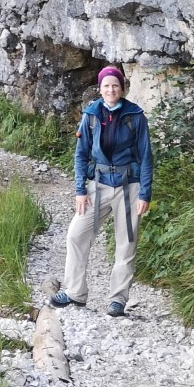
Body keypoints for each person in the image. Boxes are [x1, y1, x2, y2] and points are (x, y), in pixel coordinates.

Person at [50, 66, 154, 317]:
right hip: (98, 185)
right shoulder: (91, 115)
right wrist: (80, 190)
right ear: (100, 89)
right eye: (106, 85)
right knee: (76, 235)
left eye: (115, 85)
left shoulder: (135, 116)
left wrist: (144, 193)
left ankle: (118, 299)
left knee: (126, 244)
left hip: (129, 186)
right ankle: (75, 292)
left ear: (122, 88)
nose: (111, 89)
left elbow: (146, 157)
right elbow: (81, 155)